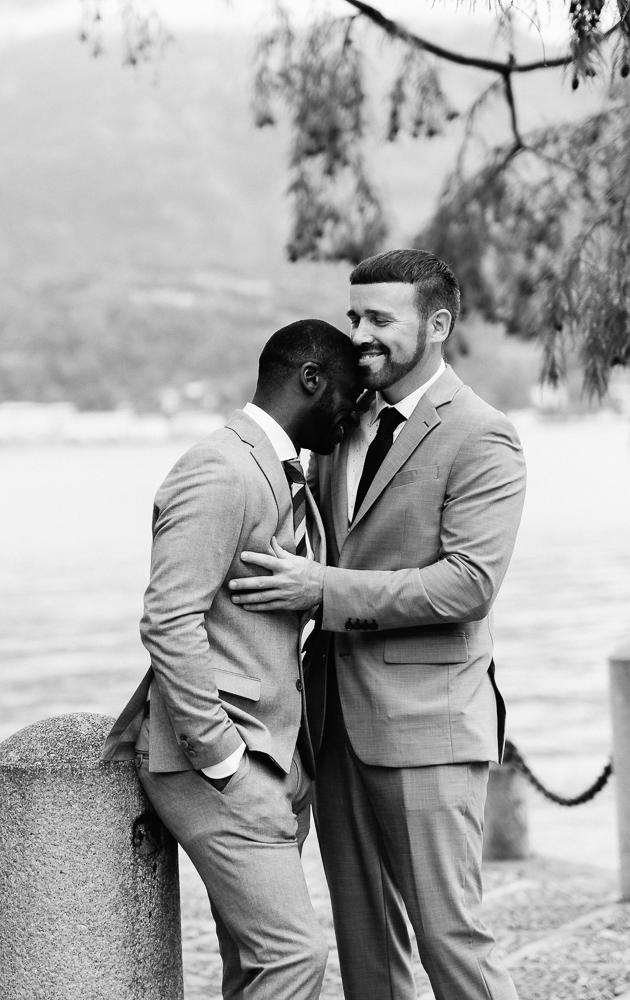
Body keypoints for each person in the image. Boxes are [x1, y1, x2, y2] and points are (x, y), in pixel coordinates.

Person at [229, 249, 526, 1000]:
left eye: (378, 319)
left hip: (427, 725)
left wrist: (318, 589)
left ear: (436, 324)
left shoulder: (481, 434)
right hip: (330, 723)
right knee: (369, 952)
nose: (357, 333)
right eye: (353, 315)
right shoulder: (342, 415)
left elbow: (467, 586)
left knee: (449, 939)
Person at [102, 318, 360, 1000]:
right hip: (220, 763)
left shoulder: (281, 473)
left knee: (253, 966)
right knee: (293, 959)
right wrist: (224, 762)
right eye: (350, 394)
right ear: (311, 379)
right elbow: (168, 618)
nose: (354, 412)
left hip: (275, 754)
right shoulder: (219, 468)